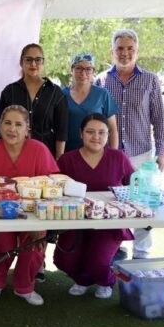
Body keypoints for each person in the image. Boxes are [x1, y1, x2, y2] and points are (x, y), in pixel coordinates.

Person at [0, 105, 59, 305]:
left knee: (33, 245)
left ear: (27, 128)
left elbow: (51, 186)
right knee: (3, 243)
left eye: (19, 124)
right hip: (1, 214)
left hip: (33, 214)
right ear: (0, 126)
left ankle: (24, 287)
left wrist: (40, 224)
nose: (12, 129)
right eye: (7, 123)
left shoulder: (39, 149)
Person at [97, 29, 164, 260]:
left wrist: (160, 152)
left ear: (137, 51)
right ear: (112, 51)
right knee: (112, 204)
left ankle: (142, 254)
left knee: (144, 204)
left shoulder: (150, 80)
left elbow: (159, 119)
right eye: (120, 48)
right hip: (111, 155)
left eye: (130, 48)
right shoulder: (101, 80)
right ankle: (113, 250)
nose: (125, 53)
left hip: (141, 155)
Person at [53, 113, 135, 299]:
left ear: (108, 135)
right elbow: (55, 189)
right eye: (90, 132)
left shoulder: (118, 157)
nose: (96, 137)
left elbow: (135, 185)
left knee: (97, 261)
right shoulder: (67, 159)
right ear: (81, 133)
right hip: (75, 221)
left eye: (102, 132)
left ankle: (105, 280)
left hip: (108, 223)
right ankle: (83, 279)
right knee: (64, 260)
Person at [0, 43, 68, 159]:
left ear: (43, 63)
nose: (33, 64)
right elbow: (1, 128)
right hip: (14, 155)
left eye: (38, 60)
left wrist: (58, 160)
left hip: (45, 155)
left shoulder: (56, 93)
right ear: (21, 62)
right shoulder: (9, 91)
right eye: (28, 59)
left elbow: (61, 132)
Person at [62, 52, 119, 152]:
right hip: (69, 154)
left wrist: (114, 156)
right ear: (72, 69)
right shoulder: (61, 95)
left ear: (93, 71)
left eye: (88, 69)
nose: (83, 73)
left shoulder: (102, 94)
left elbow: (113, 129)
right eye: (78, 68)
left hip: (97, 154)